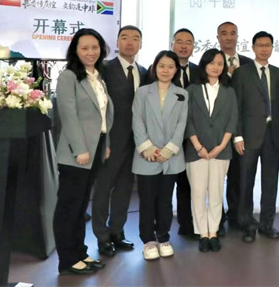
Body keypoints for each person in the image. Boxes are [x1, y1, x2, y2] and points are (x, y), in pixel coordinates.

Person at [53, 28, 114, 275]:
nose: (91, 52)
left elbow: (103, 115)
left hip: (96, 148)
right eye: (85, 48)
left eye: (95, 47)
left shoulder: (97, 77)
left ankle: (79, 252)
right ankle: (67, 259)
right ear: (75, 51)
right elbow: (68, 116)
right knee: (69, 207)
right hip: (76, 153)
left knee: (80, 208)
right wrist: (80, 149)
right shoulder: (68, 77)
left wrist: (105, 143)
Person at [92, 25, 147, 258]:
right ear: (117, 42)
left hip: (135, 142)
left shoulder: (144, 72)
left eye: (135, 38)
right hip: (111, 141)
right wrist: (103, 141)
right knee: (103, 189)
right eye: (124, 38)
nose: (130, 42)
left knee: (125, 189)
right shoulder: (104, 69)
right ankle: (101, 236)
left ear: (141, 44)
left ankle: (117, 231)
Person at [132, 50, 189, 261]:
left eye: (171, 67)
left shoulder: (182, 94)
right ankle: (148, 240)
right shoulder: (142, 92)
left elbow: (182, 123)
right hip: (146, 155)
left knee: (165, 200)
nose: (166, 70)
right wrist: (147, 147)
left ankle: (163, 237)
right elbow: (137, 120)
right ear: (155, 68)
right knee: (147, 200)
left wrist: (169, 149)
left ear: (176, 70)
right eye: (162, 66)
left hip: (171, 157)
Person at [232, 31, 279, 243]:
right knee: (246, 182)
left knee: (270, 182)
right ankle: (247, 224)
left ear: (272, 48)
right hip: (248, 136)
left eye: (267, 45)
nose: (264, 49)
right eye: (260, 45)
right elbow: (236, 106)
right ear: (253, 47)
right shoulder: (241, 73)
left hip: (273, 135)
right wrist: (237, 136)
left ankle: (267, 224)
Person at [185, 49, 238, 252]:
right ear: (204, 65)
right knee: (198, 194)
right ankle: (202, 233)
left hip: (221, 150)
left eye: (220, 64)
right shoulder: (192, 90)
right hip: (196, 151)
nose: (216, 67)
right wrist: (198, 147)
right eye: (212, 63)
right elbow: (187, 120)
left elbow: (232, 120)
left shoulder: (229, 91)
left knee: (216, 194)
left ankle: (213, 232)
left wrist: (221, 146)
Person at [216, 21, 253, 234]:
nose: (229, 37)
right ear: (218, 37)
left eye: (233, 33)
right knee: (216, 178)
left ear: (238, 37)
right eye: (224, 33)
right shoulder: (211, 62)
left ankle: (237, 216)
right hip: (217, 130)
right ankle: (217, 219)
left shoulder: (248, 63)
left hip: (241, 130)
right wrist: (229, 75)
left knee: (239, 176)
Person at [170, 28, 200, 238]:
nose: (183, 46)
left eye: (188, 42)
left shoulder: (199, 71)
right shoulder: (161, 68)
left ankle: (187, 224)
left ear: (193, 47)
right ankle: (160, 228)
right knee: (164, 186)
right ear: (172, 44)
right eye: (179, 41)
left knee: (187, 184)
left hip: (192, 138)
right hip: (166, 137)